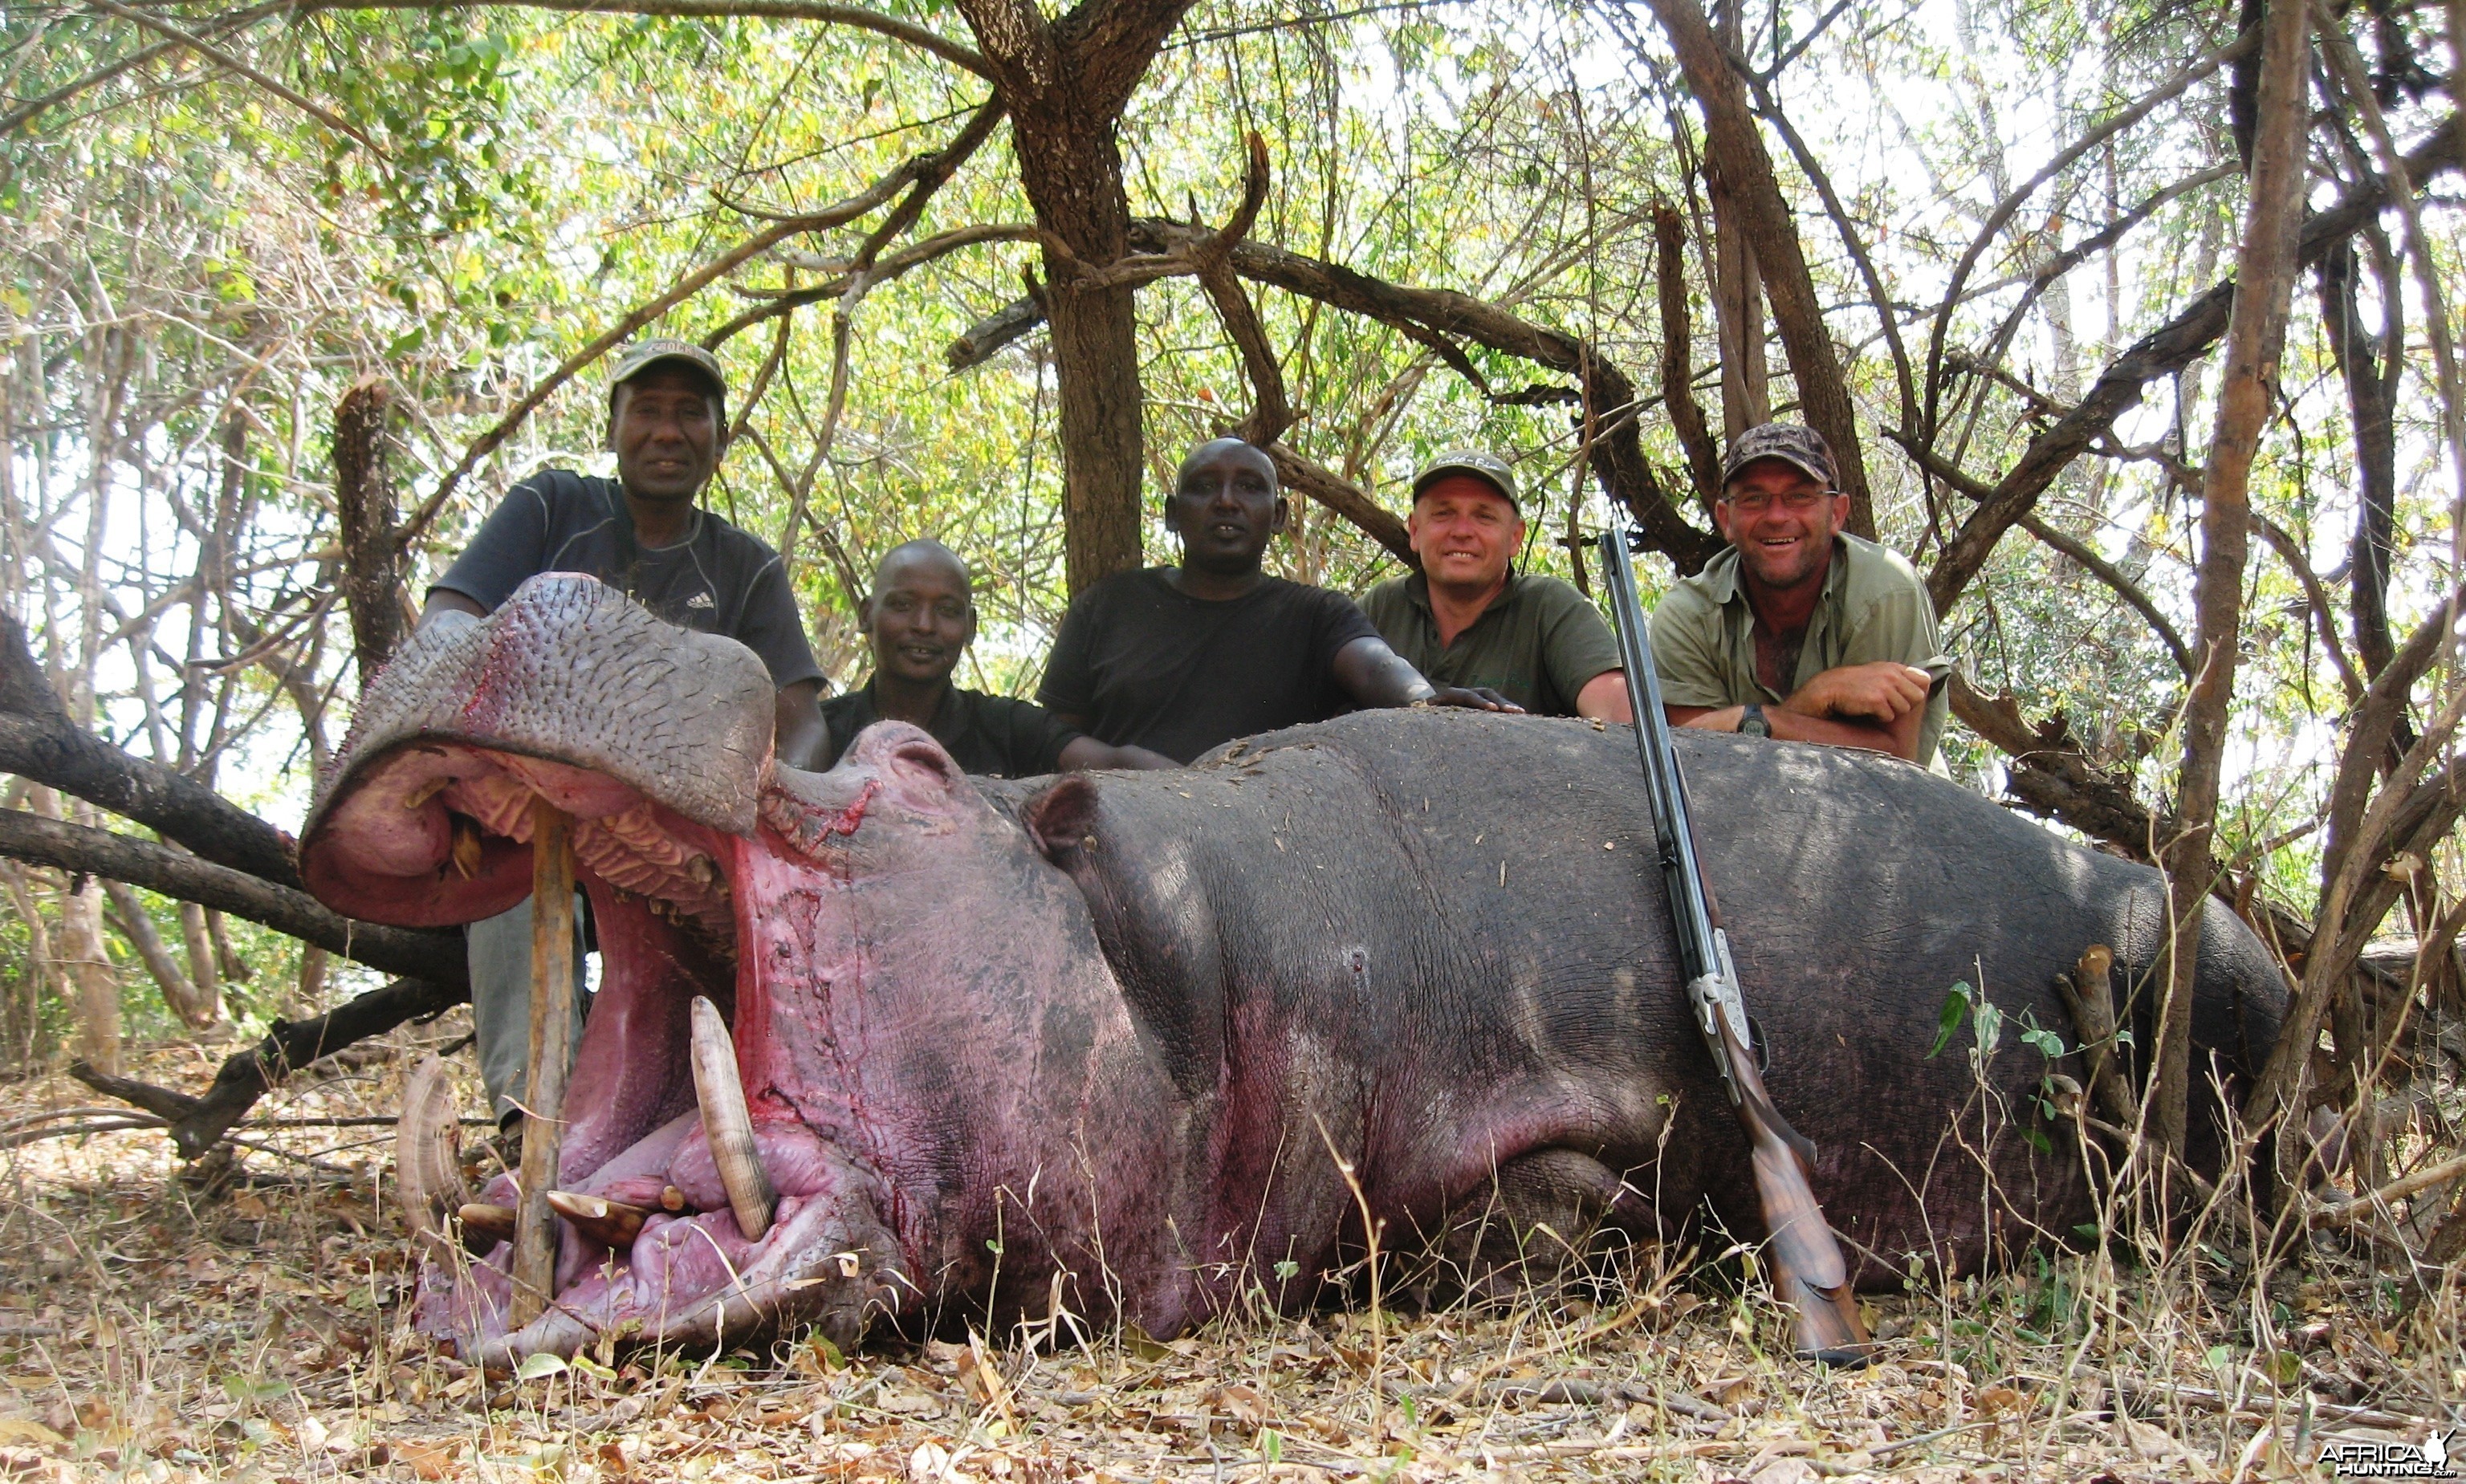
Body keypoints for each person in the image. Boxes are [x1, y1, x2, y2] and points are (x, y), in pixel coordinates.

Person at [418, 338, 831, 1130]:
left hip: (677, 835)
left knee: (759, 914)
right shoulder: (550, 510)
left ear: (719, 438)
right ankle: (529, 1121)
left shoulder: (743, 568)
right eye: (647, 410)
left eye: (690, 414)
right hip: (536, 812)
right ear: (612, 428)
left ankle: (726, 1122)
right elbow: (450, 620)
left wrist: (770, 799)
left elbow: (803, 714)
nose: (667, 432)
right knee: (511, 902)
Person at [1039, 437, 1515, 764]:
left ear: (1279, 516)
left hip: (1264, 853)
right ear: (1171, 514)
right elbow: (1056, 737)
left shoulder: (1316, 615)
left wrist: (1424, 703)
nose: (1226, 502)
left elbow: (1373, 668)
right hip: (1120, 841)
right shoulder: (1106, 606)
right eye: (1204, 487)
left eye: (1249, 488)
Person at [1648, 423, 1951, 765]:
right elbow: (1696, 762)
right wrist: (1816, 697)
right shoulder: (1687, 616)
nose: (1777, 516)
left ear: (1837, 513)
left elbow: (1896, 762)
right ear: (1726, 519)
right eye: (1754, 499)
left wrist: (1747, 723)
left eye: (1800, 496)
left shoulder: (1885, 591)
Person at [823, 540, 1177, 775]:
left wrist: (1209, 790)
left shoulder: (1007, 729)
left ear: (971, 626)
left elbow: (1115, 765)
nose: (924, 625)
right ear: (866, 614)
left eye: (947, 611)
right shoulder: (821, 733)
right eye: (903, 605)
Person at [1359, 449, 1630, 720]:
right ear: (1415, 531)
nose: (1462, 531)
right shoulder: (1381, 607)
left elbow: (1619, 717)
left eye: (1484, 516)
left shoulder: (1551, 608)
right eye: (1444, 513)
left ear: (1515, 537)